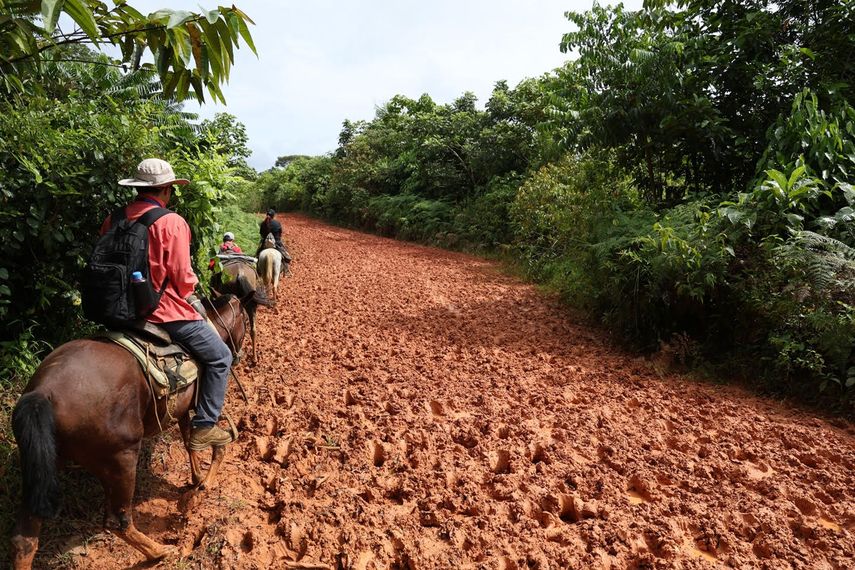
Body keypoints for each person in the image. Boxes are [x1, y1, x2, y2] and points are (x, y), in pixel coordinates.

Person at [104, 158, 235, 450]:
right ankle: (204, 426)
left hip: (115, 311)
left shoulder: (113, 219)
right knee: (220, 356)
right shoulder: (171, 222)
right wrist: (191, 291)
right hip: (163, 313)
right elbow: (182, 277)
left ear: (138, 189)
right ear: (166, 190)